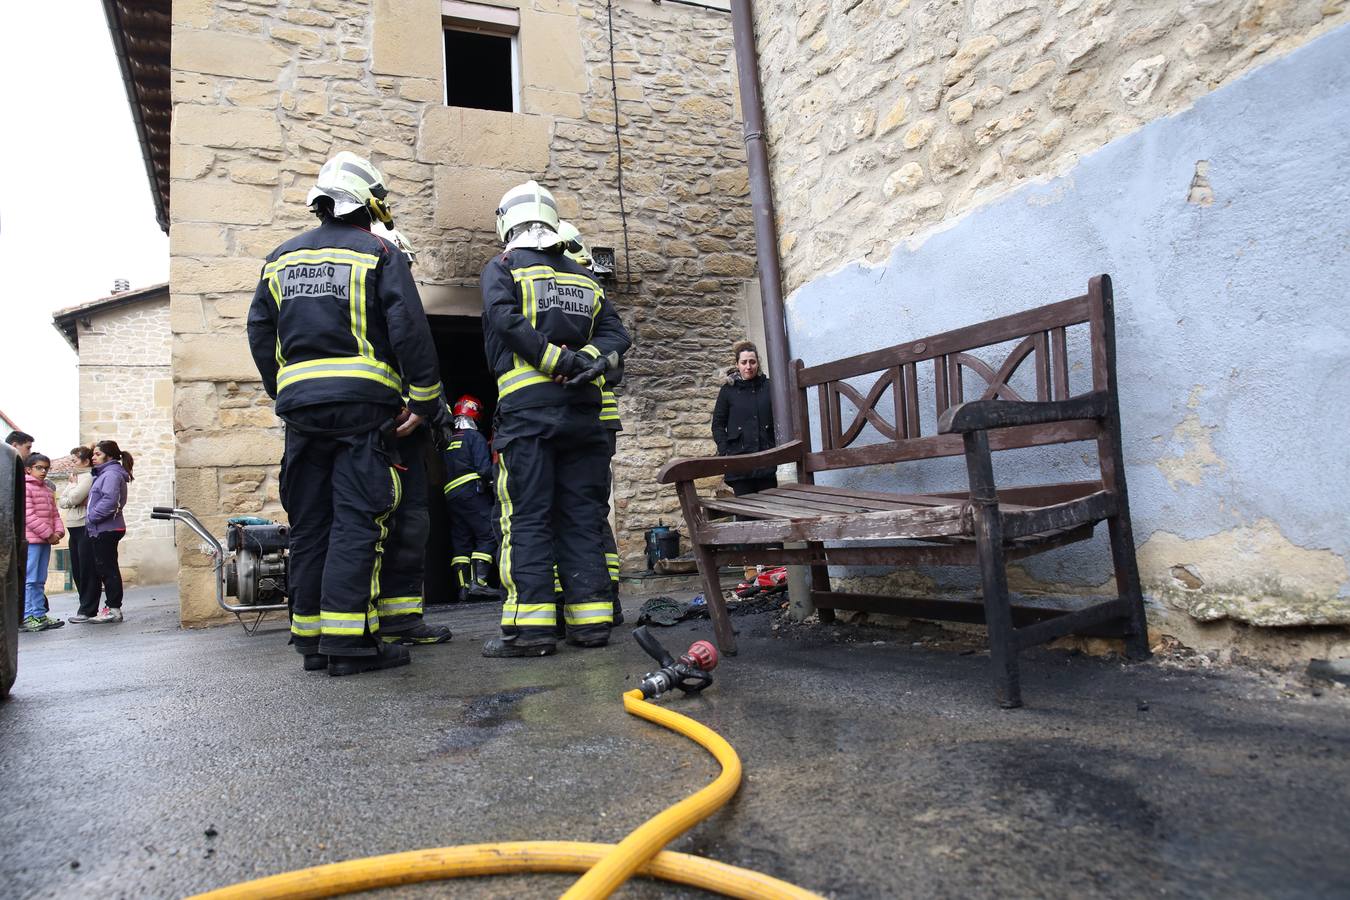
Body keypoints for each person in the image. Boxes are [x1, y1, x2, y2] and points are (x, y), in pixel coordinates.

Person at [247, 150, 448, 676]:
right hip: (363, 409)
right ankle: (349, 643)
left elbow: (260, 330)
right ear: (371, 203)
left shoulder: (280, 258)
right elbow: (408, 329)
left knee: (311, 522)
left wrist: (284, 389)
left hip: (302, 413)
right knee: (358, 518)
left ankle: (312, 641)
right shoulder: (379, 251)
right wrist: (425, 400)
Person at [480, 181, 631, 658]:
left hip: (528, 420)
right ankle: (591, 624)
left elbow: (505, 320)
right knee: (582, 517)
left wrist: (556, 361)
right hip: (584, 417)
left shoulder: (504, 266)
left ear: (507, 222)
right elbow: (617, 333)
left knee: (526, 518)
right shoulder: (584, 276)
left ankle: (531, 632)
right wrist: (587, 361)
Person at [367, 226, 452, 648]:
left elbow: (422, 368)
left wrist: (435, 412)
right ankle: (361, 621)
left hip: (409, 444)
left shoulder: (403, 313)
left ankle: (402, 619)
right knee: (368, 528)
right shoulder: (358, 316)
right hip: (371, 439)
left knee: (411, 527)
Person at [560, 222, 624, 626]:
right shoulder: (589, 304)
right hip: (592, 422)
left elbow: (613, 366)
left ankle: (603, 597)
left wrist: (575, 359)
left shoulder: (583, 304)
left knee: (585, 510)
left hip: (590, 420)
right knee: (589, 510)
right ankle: (601, 597)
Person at [441, 394, 500, 602]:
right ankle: (479, 583)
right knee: (489, 533)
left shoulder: (447, 440)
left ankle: (463, 588)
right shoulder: (475, 437)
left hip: (451, 496)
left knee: (462, 539)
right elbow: (484, 470)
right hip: (471, 492)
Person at [711, 340, 777, 496]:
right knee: (745, 509)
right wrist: (725, 450)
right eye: (744, 362)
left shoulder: (769, 387)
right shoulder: (728, 390)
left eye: (752, 362)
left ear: (758, 363)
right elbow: (718, 425)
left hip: (766, 463)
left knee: (771, 507)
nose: (748, 366)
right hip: (739, 465)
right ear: (737, 364)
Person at [86, 440, 133, 624]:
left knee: (108, 569)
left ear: (110, 456)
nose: (93, 457)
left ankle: (113, 609)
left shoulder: (111, 474)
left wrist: (92, 517)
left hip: (107, 528)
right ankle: (112, 608)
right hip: (105, 527)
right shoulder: (105, 474)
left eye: (98, 454)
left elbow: (110, 501)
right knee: (106, 568)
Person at [22, 453, 66, 632]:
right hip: (32, 541)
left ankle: (40, 614)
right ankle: (28, 616)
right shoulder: (25, 488)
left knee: (40, 579)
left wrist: (59, 532)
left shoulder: (47, 490)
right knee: (30, 579)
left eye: (46, 468)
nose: (43, 471)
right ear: (28, 469)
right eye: (39, 468)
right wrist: (49, 534)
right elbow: (28, 516)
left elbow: (54, 514)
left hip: (45, 541)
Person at [59, 446, 98, 622]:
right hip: (73, 526)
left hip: (84, 525)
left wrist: (73, 491)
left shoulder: (87, 477)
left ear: (86, 461)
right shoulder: (75, 478)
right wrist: (73, 494)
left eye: (75, 460)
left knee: (86, 569)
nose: (72, 463)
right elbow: (62, 501)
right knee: (77, 569)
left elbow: (73, 498)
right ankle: (84, 606)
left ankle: (88, 609)